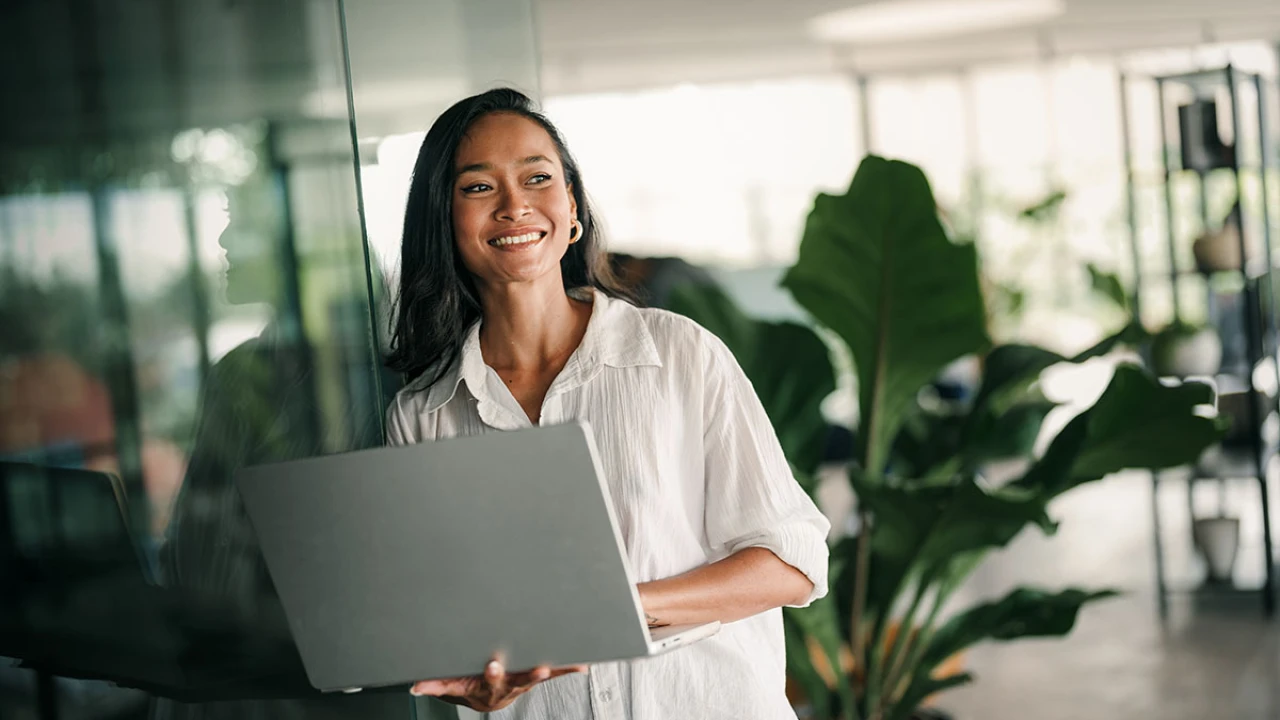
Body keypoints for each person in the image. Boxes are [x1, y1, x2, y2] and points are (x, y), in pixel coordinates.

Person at [384, 87, 830, 719]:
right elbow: (451, 616)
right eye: (478, 187)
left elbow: (793, 563)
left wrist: (618, 607)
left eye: (537, 178)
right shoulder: (423, 414)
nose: (514, 204)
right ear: (444, 222)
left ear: (571, 209)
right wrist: (477, 681)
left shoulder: (680, 354)